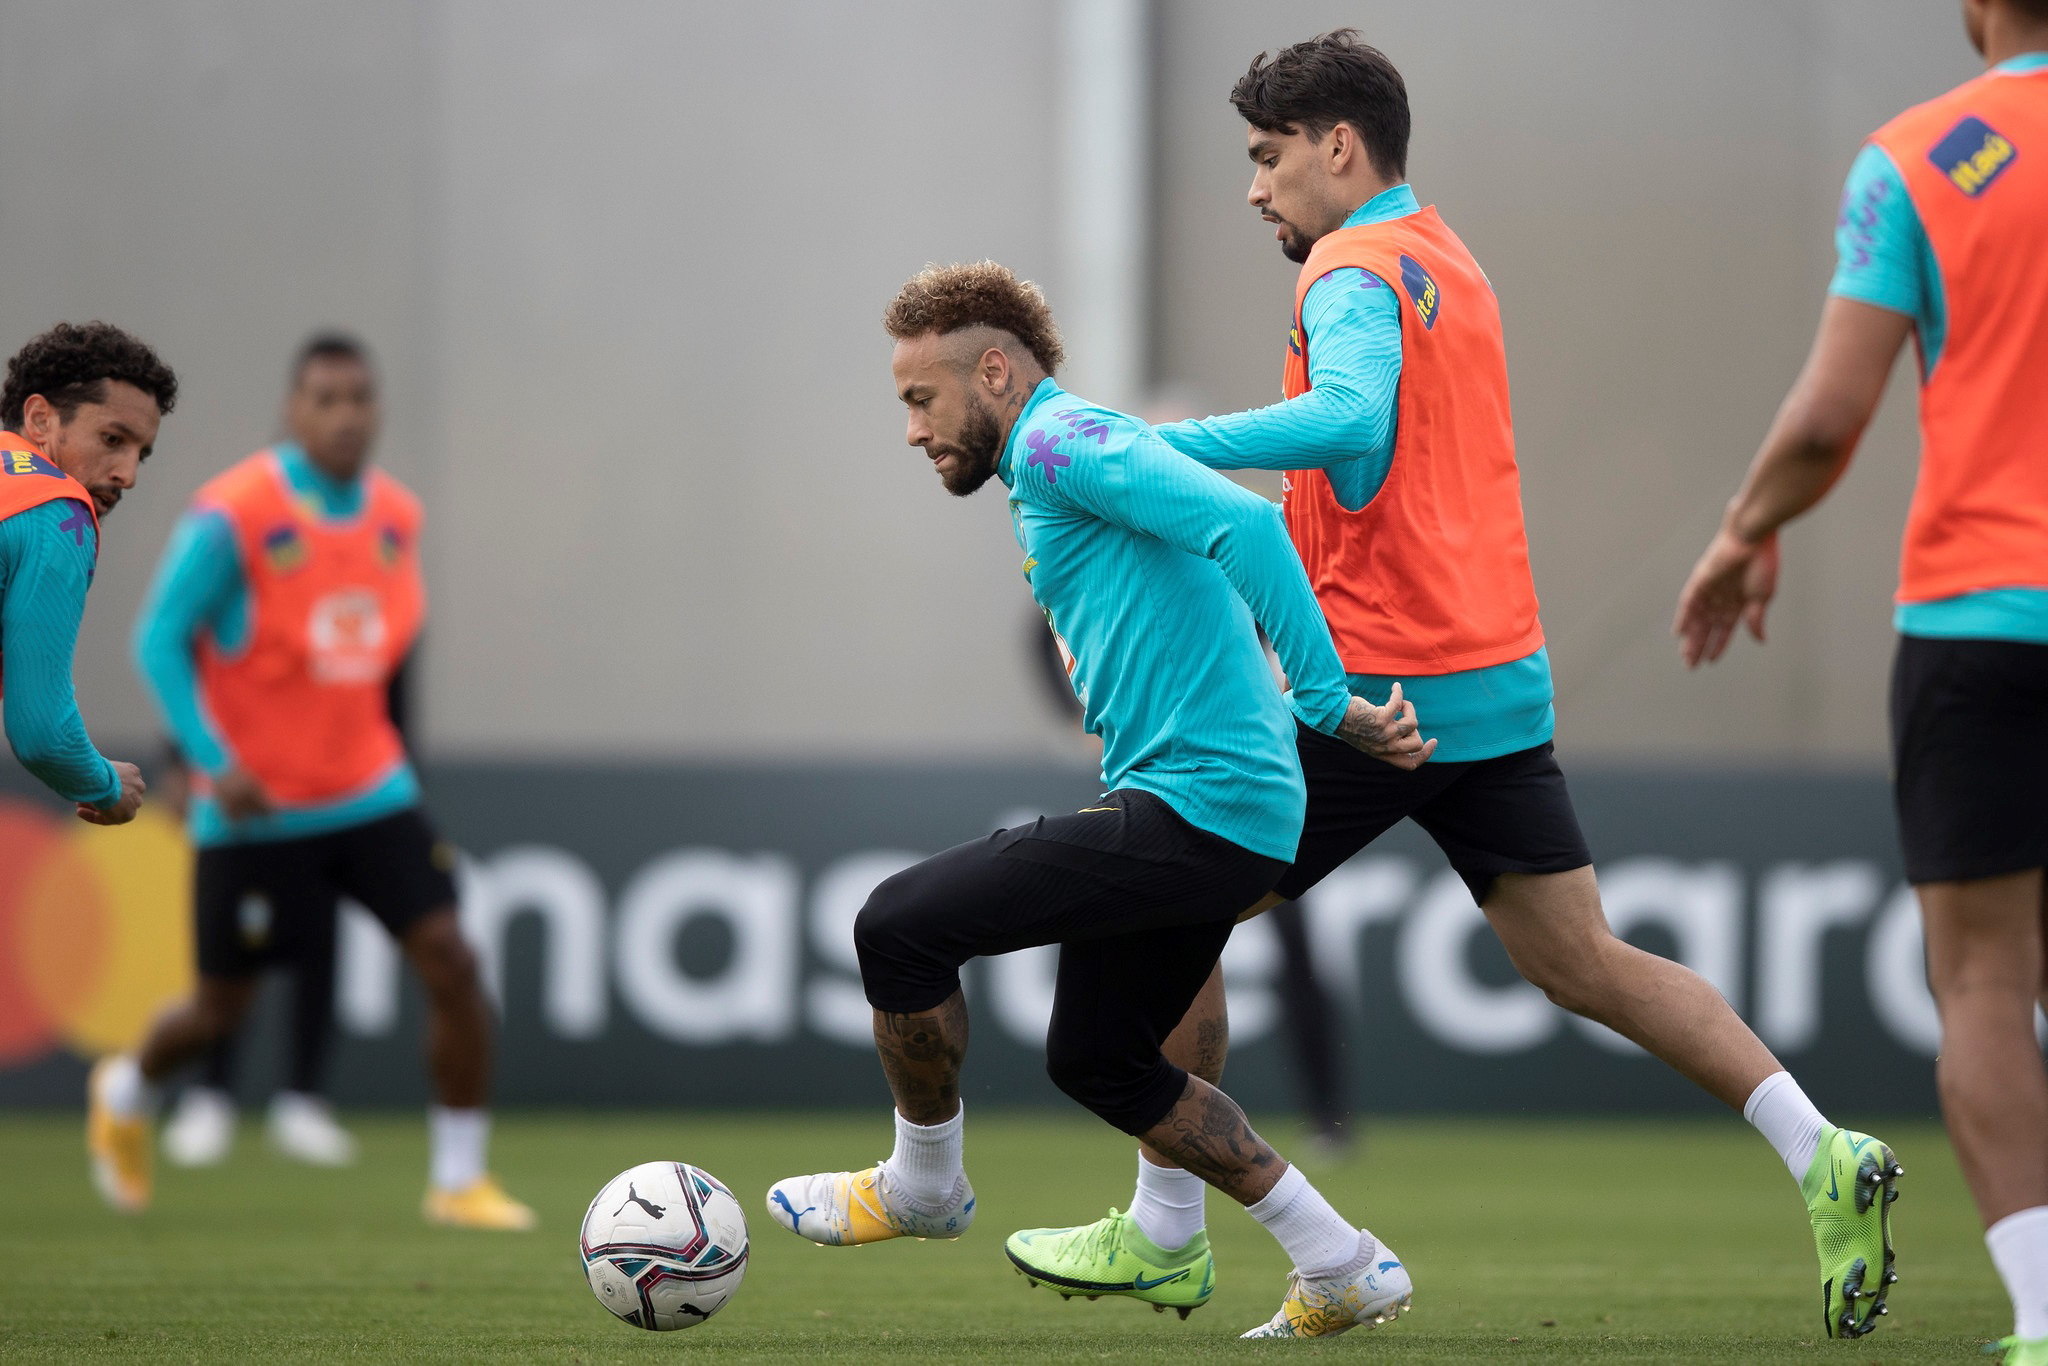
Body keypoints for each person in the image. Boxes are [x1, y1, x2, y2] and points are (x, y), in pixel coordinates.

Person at [1008, 31, 1902, 1342]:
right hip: (1492, 680)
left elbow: (1351, 422)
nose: (1255, 188)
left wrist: (1158, 444)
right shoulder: (1447, 257)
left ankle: (1167, 1225)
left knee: (1165, 895)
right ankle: (1821, 1147)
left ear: (1337, 147)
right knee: (1580, 958)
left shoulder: (1346, 268)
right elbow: (1390, 473)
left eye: (1266, 157)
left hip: (1377, 695)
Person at [766, 261, 1430, 1340]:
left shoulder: (1057, 442)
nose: (912, 431)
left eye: (921, 399)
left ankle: (924, 1183)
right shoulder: (1058, 458)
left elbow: (1251, 529)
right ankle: (1339, 1259)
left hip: (1200, 808)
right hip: (1226, 815)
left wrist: (1324, 701)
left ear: (994, 371)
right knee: (1098, 1058)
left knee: (896, 925)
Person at [1675, 2, 2048, 1358]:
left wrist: (1745, 529)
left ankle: (2045, 1314)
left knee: (1987, 979)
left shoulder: (1921, 156)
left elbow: (1828, 419)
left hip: (1985, 612)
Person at [93, 333, 533, 1231]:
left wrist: (395, 756)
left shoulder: (395, 515)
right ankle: (128, 1087)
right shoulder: (234, 512)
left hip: (371, 795)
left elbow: (384, 650)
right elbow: (159, 639)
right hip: (257, 809)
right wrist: (211, 763)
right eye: (326, 399)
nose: (345, 416)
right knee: (219, 1010)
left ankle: (458, 1180)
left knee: (453, 960)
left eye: (359, 398)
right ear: (294, 410)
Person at [154, 736, 356, 1170]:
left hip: (321, 808)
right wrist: (179, 766)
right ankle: (209, 1097)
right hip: (236, 813)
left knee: (318, 952)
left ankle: (303, 1102)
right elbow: (196, 699)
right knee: (227, 965)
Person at [0, 322, 167, 833]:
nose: (127, 475)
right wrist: (106, 784)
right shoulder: (55, 509)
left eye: (141, 454)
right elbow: (42, 733)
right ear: (40, 418)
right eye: (112, 439)